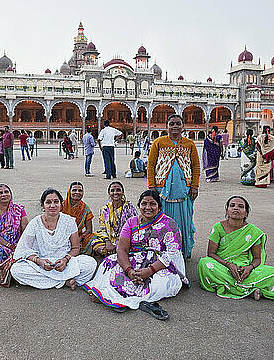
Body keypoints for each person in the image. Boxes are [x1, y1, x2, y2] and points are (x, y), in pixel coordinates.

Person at [84, 190, 189, 319]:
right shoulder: (131, 222)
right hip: (134, 260)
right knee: (108, 262)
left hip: (160, 264)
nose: (148, 208)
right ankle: (121, 295)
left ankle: (116, 297)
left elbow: (171, 254)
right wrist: (129, 270)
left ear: (159, 207)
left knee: (167, 283)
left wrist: (149, 270)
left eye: (152, 204)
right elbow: (121, 249)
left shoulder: (170, 225)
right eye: (144, 204)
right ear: (139, 206)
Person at [197, 196, 274, 301]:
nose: (236, 208)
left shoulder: (253, 232)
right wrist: (228, 265)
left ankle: (233, 287)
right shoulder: (218, 228)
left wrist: (249, 268)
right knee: (204, 263)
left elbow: (257, 259)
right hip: (223, 266)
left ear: (246, 213)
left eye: (240, 206)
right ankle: (248, 289)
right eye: (232, 205)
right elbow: (211, 254)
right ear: (227, 211)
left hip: (244, 269)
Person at [10, 188, 97, 290]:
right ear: (43, 205)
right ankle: (65, 282)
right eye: (48, 202)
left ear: (61, 204)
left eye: (56, 202)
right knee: (17, 270)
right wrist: (39, 261)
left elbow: (75, 248)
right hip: (41, 264)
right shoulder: (35, 223)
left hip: (64, 263)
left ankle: (51, 281)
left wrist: (65, 260)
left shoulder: (69, 221)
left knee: (90, 263)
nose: (52, 205)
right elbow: (25, 249)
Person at [147, 114, 200, 259]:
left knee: (185, 219)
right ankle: (163, 251)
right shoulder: (158, 142)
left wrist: (195, 186)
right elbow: (151, 165)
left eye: (178, 124)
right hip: (162, 188)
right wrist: (151, 186)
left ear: (183, 126)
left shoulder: (189, 144)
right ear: (167, 127)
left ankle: (183, 251)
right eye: (172, 124)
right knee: (162, 219)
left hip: (184, 189)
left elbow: (195, 165)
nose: (175, 126)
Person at [85, 181, 137, 256]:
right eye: (112, 190)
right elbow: (102, 228)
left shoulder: (129, 208)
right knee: (93, 242)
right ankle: (114, 251)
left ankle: (115, 252)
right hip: (109, 239)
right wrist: (107, 242)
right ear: (109, 193)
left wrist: (122, 241)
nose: (115, 193)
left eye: (118, 190)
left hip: (125, 240)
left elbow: (134, 228)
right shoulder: (105, 209)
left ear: (122, 193)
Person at [0, 184, 29, 265]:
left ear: (10, 194)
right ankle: (14, 260)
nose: (4, 195)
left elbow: (25, 230)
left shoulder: (19, 209)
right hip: (0, 245)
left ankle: (15, 259)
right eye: (0, 193)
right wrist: (9, 246)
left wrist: (20, 245)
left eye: (6, 192)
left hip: (18, 244)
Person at [61, 182, 94, 249]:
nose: (77, 192)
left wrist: (80, 238)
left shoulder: (85, 208)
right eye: (74, 190)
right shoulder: (61, 206)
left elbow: (89, 230)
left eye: (80, 190)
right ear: (69, 192)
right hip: (60, 236)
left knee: (93, 238)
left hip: (77, 237)